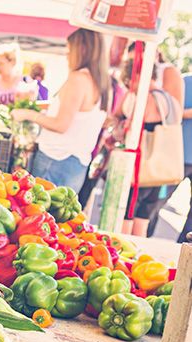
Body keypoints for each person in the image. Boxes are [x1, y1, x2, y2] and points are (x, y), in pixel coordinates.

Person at [11, 28, 109, 192]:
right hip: (76, 163)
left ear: (82, 49)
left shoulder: (78, 79)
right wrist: (39, 106)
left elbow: (61, 124)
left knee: (41, 213)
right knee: (60, 216)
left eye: (70, 50)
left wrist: (28, 114)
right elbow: (74, 111)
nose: (67, 55)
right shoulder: (101, 81)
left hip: (56, 160)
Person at [114, 60, 182, 237]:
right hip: (160, 172)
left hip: (140, 170)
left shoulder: (145, 100)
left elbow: (128, 129)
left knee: (126, 221)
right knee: (142, 221)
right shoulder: (171, 100)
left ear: (137, 76)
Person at [176, 73, 192, 242]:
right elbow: (174, 112)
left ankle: (184, 249)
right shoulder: (184, 81)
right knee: (154, 204)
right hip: (179, 156)